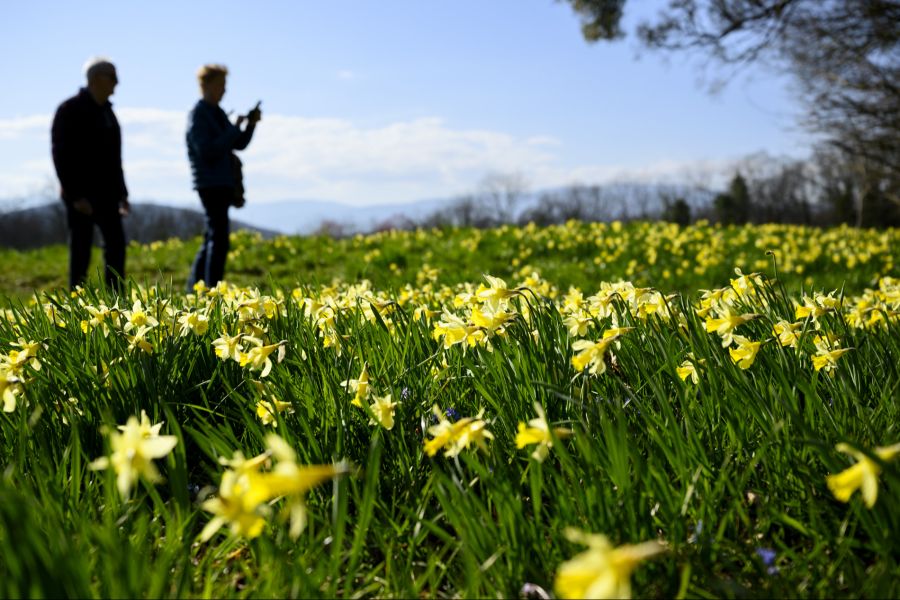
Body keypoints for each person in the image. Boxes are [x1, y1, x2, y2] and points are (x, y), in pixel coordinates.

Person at [51, 57, 130, 292]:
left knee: (116, 247)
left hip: (108, 195)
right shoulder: (69, 110)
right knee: (81, 249)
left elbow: (116, 159)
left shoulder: (108, 114)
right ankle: (77, 304)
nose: (117, 83)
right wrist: (75, 196)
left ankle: (117, 303)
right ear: (96, 79)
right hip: (81, 197)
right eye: (112, 77)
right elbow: (60, 155)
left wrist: (122, 194)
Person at [186, 64, 261, 290]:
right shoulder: (199, 114)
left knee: (212, 235)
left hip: (221, 182)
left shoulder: (216, 113)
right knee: (219, 238)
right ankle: (212, 290)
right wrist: (234, 128)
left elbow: (238, 144)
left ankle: (195, 288)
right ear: (206, 86)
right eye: (220, 85)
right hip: (210, 183)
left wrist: (250, 125)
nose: (224, 91)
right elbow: (207, 150)